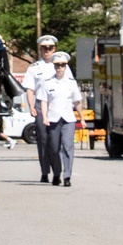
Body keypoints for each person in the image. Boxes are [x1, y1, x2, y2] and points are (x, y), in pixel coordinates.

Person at [40, 51, 82, 186]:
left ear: (65, 67)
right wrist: (45, 117)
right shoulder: (47, 83)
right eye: (57, 65)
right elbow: (44, 102)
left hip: (68, 118)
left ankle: (67, 176)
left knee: (68, 146)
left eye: (62, 65)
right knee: (53, 148)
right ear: (54, 66)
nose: (60, 68)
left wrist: (82, 117)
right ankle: (57, 173)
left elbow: (77, 101)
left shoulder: (71, 83)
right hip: (53, 118)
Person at [22, 35, 58, 182]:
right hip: (40, 104)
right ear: (40, 49)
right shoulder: (34, 68)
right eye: (45, 48)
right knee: (43, 139)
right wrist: (31, 107)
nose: (47, 50)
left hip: (57, 105)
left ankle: (58, 170)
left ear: (54, 48)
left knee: (56, 140)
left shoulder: (62, 65)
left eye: (50, 48)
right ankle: (45, 171)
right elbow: (29, 89)